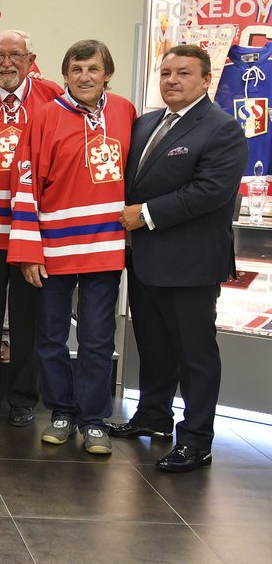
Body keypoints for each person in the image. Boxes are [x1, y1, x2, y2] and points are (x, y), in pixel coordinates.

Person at [111, 44, 248, 472]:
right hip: (146, 260)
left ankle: (196, 439)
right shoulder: (146, 123)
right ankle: (153, 416)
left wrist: (147, 214)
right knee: (152, 346)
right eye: (166, 72)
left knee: (195, 356)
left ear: (206, 80)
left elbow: (211, 192)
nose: (172, 80)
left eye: (183, 73)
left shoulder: (223, 129)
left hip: (190, 264)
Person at [8, 40, 136, 455]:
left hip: (105, 247)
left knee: (99, 339)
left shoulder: (125, 112)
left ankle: (94, 419)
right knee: (51, 339)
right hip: (54, 250)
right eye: (77, 69)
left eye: (93, 69)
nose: (84, 77)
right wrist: (28, 249)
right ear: (64, 75)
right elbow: (24, 184)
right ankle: (62, 412)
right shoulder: (44, 117)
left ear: (107, 75)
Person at [0, 30, 62, 426]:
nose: (6, 63)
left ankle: (24, 395)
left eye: (15, 55)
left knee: (27, 318)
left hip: (32, 233)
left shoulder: (52, 96)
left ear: (30, 59)